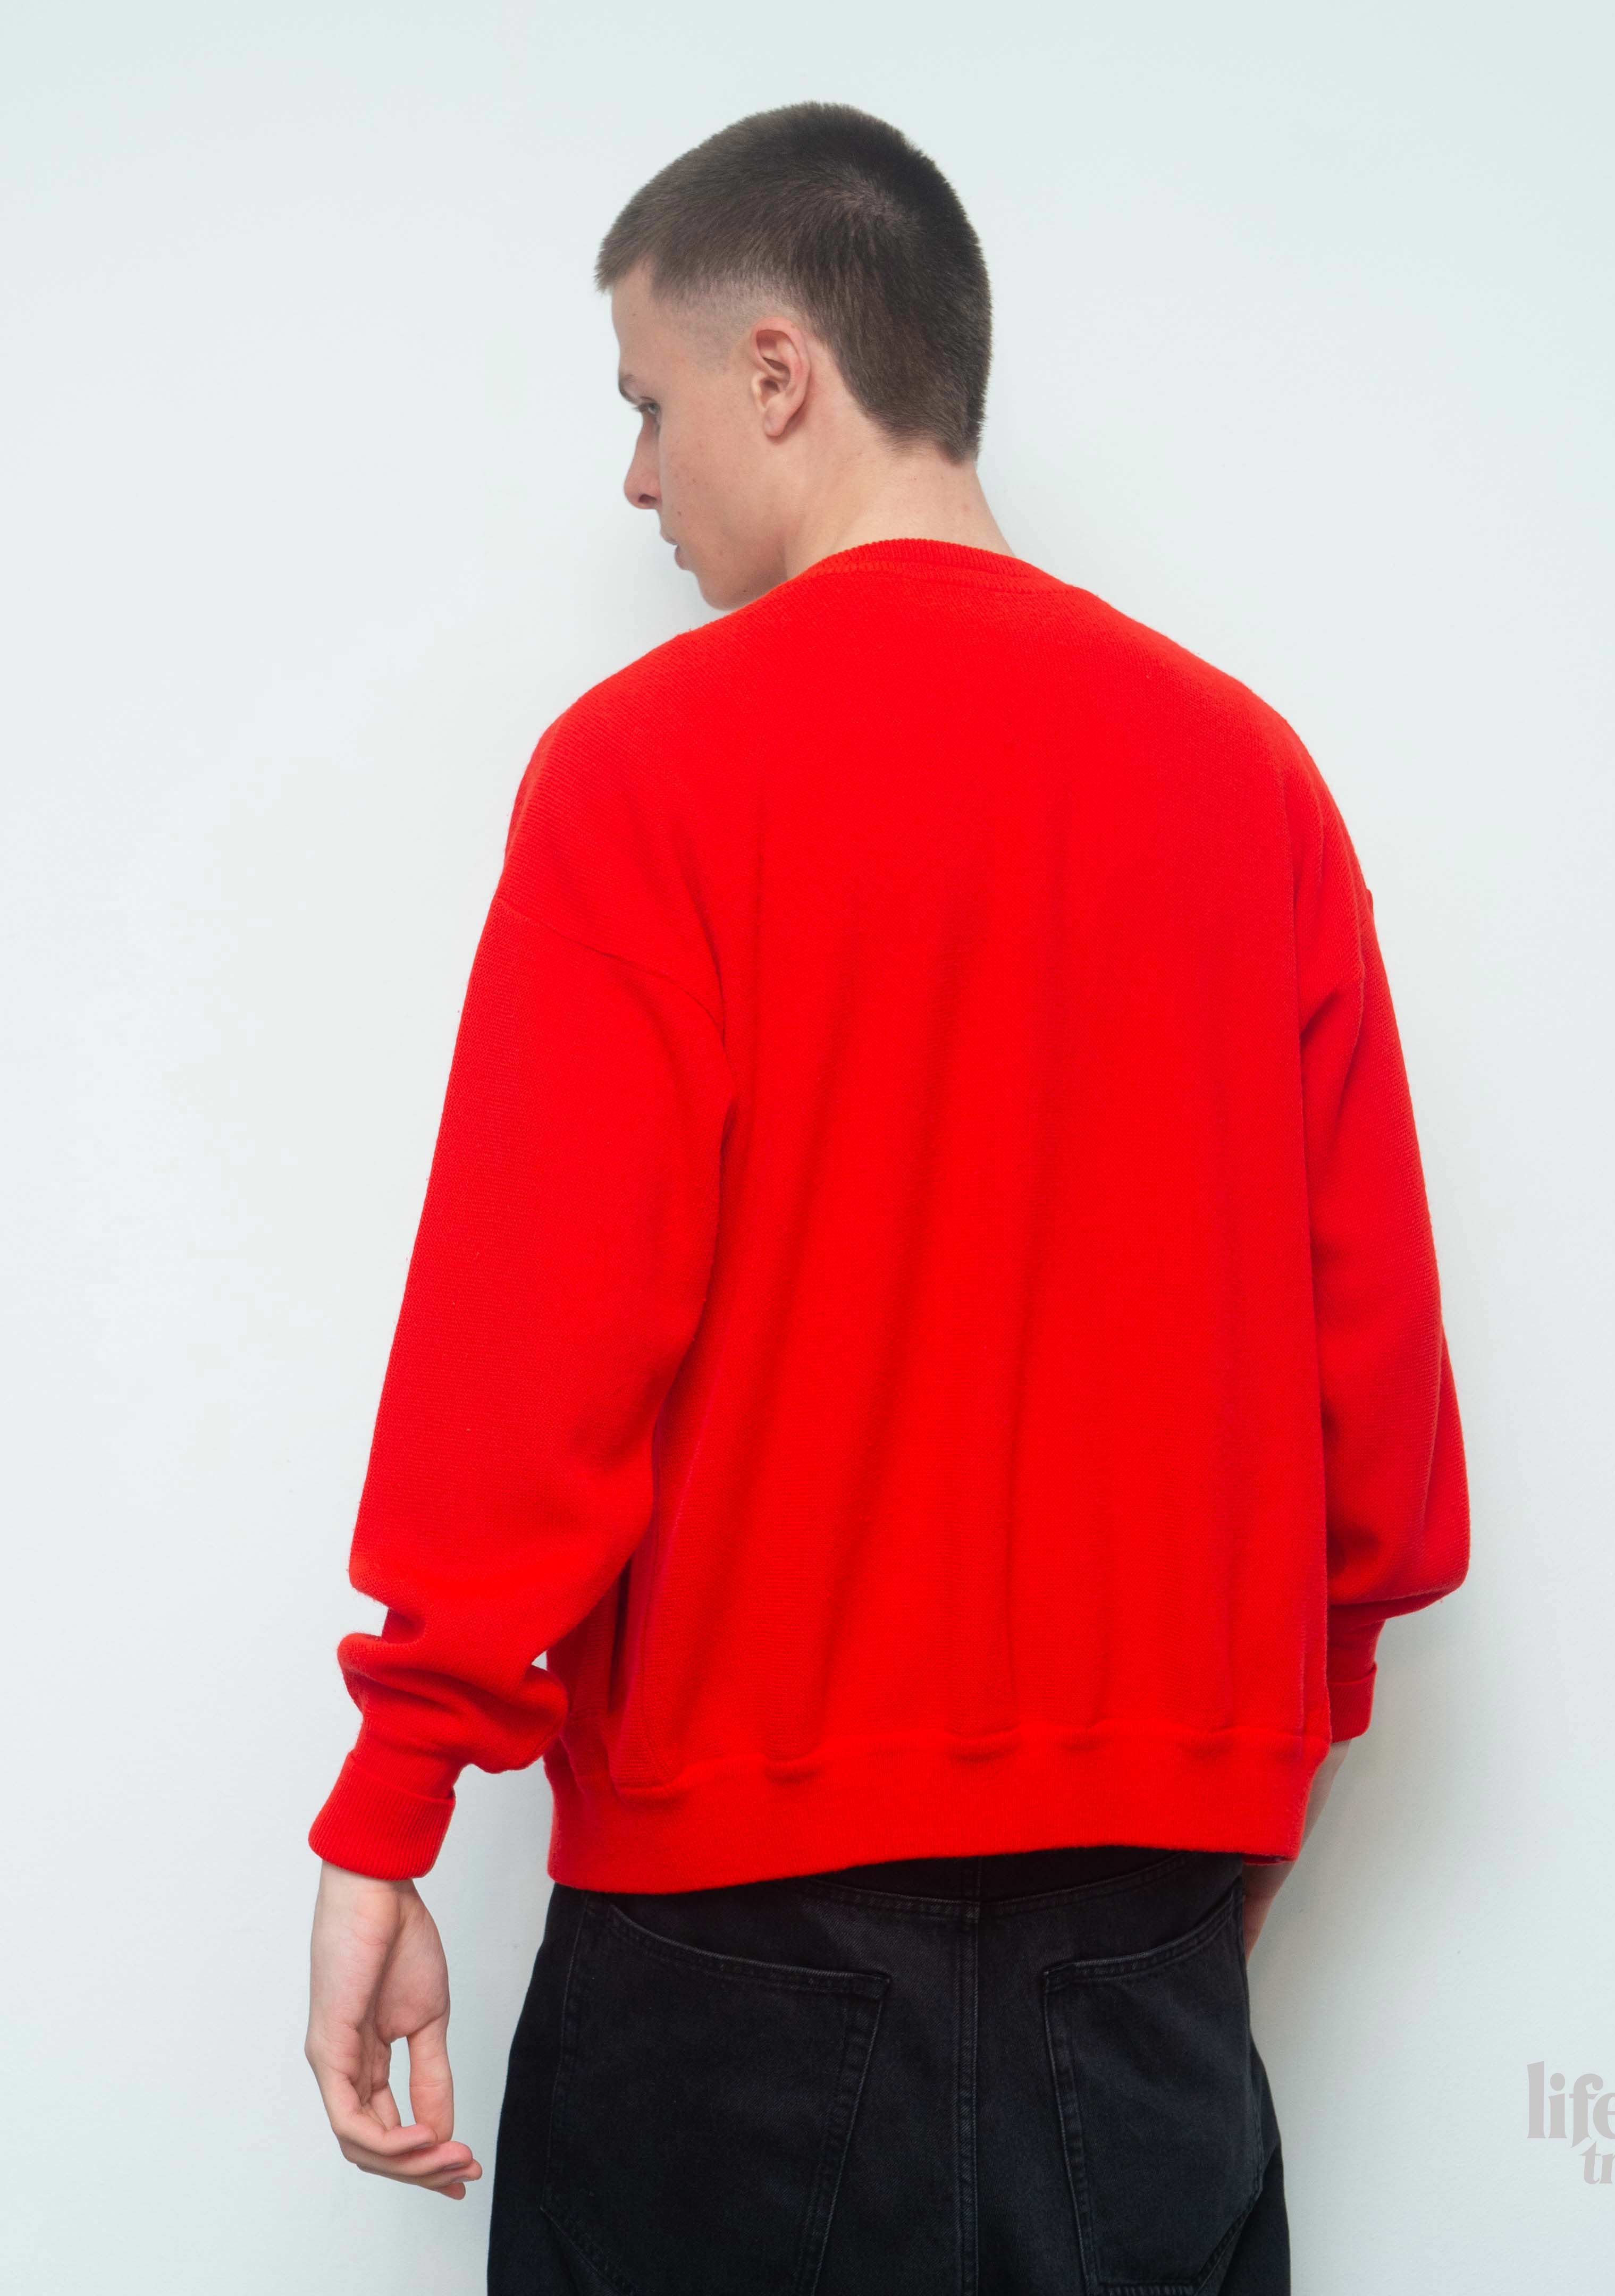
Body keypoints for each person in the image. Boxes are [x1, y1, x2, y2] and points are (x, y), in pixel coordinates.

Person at [302, 100, 1469, 2295]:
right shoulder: (1247, 779)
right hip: (1144, 1942)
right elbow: (1374, 1389)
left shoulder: (648, 772)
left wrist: (394, 1803)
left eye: (647, 403)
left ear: (780, 371)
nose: (635, 478)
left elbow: (533, 1346)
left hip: (730, 1962)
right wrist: (1270, 1761)